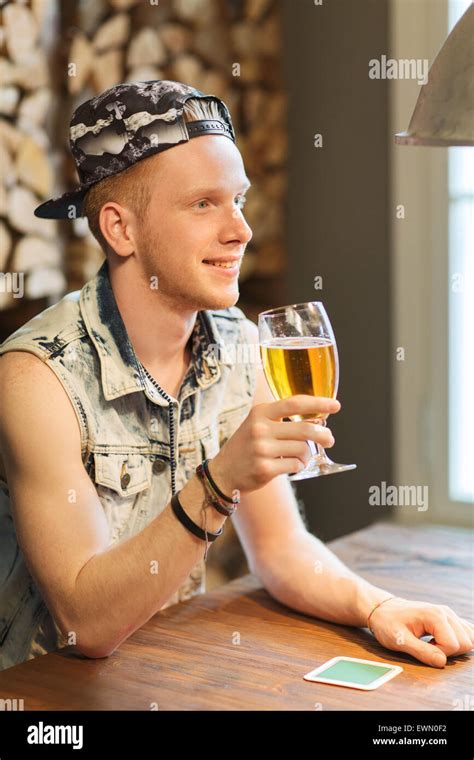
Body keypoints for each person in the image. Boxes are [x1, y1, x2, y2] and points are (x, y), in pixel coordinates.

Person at [0, 80, 472, 672]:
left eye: (239, 200)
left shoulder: (241, 347)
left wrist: (377, 607)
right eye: (203, 204)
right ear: (121, 230)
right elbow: (86, 626)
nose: (241, 230)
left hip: (161, 675)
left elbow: (280, 550)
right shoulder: (37, 377)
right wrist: (220, 482)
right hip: (43, 695)